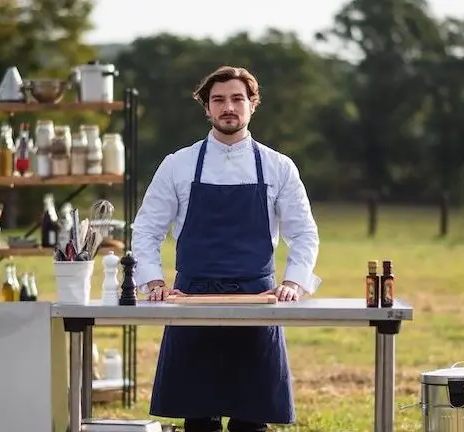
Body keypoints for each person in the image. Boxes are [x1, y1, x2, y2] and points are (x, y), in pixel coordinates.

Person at [130, 65, 321, 432]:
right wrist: (153, 282)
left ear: (253, 104)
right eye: (218, 100)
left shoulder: (279, 167)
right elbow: (146, 229)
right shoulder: (177, 164)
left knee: (251, 422)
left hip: (258, 301)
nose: (228, 107)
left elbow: (304, 233)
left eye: (237, 99)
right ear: (207, 108)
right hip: (191, 301)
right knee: (198, 421)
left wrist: (293, 283)